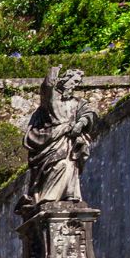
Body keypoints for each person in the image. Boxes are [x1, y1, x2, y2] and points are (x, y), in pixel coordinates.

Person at [24, 67, 97, 206]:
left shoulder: (77, 102)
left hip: (69, 141)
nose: (75, 84)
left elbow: (89, 113)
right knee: (57, 165)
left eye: (78, 82)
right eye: (74, 80)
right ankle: (48, 196)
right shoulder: (52, 99)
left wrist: (80, 124)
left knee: (69, 164)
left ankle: (69, 195)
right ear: (65, 80)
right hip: (52, 139)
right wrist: (53, 72)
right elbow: (46, 88)